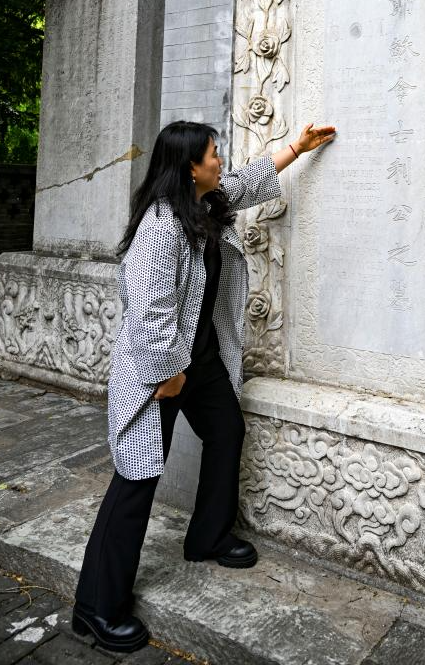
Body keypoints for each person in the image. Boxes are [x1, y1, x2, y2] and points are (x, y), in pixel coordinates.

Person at [72, 119, 336, 653]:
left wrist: (298, 148)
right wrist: (167, 373)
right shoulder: (161, 226)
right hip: (160, 370)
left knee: (226, 430)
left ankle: (207, 536)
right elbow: (149, 308)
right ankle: (95, 608)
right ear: (191, 166)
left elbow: (247, 182)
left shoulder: (206, 203)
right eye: (213, 153)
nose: (220, 160)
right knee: (137, 478)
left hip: (201, 360)